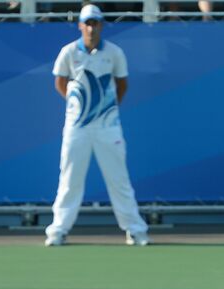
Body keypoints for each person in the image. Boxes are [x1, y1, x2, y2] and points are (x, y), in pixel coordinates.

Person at [44, 5, 152, 247]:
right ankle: (58, 231)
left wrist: (106, 110)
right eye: (88, 23)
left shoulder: (114, 53)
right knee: (69, 180)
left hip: (108, 128)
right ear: (80, 25)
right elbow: (60, 83)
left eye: (96, 23)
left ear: (102, 25)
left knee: (119, 180)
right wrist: (79, 108)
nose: (92, 28)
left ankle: (135, 230)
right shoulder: (69, 52)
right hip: (77, 128)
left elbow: (122, 85)